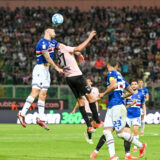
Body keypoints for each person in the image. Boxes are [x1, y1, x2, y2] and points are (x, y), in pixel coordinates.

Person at [90, 58, 146, 160]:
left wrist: (103, 93)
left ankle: (141, 146)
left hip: (117, 106)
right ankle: (113, 156)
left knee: (120, 134)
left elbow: (114, 85)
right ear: (117, 66)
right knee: (107, 132)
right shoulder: (121, 76)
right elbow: (132, 92)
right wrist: (122, 96)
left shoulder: (112, 73)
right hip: (112, 106)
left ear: (108, 66)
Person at [57, 30, 103, 133]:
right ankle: (97, 121)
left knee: (80, 101)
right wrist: (90, 37)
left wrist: (77, 54)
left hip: (69, 78)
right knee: (90, 98)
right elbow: (78, 48)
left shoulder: (58, 54)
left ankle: (89, 126)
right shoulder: (64, 48)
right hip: (77, 76)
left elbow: (74, 51)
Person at [17, 28, 63, 130]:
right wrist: (57, 68)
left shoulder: (53, 42)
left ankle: (41, 119)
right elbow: (47, 57)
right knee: (35, 92)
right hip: (40, 69)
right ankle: (22, 113)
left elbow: (62, 47)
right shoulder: (42, 43)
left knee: (43, 95)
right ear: (47, 32)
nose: (55, 32)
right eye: (53, 31)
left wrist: (76, 52)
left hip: (46, 71)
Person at [72, 78, 100, 144]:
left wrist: (93, 100)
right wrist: (74, 109)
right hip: (87, 110)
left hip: (94, 110)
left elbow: (99, 97)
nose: (87, 83)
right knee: (90, 124)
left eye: (89, 81)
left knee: (94, 125)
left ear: (91, 83)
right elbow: (79, 101)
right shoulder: (83, 91)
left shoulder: (95, 89)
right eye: (86, 82)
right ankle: (89, 139)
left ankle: (87, 134)